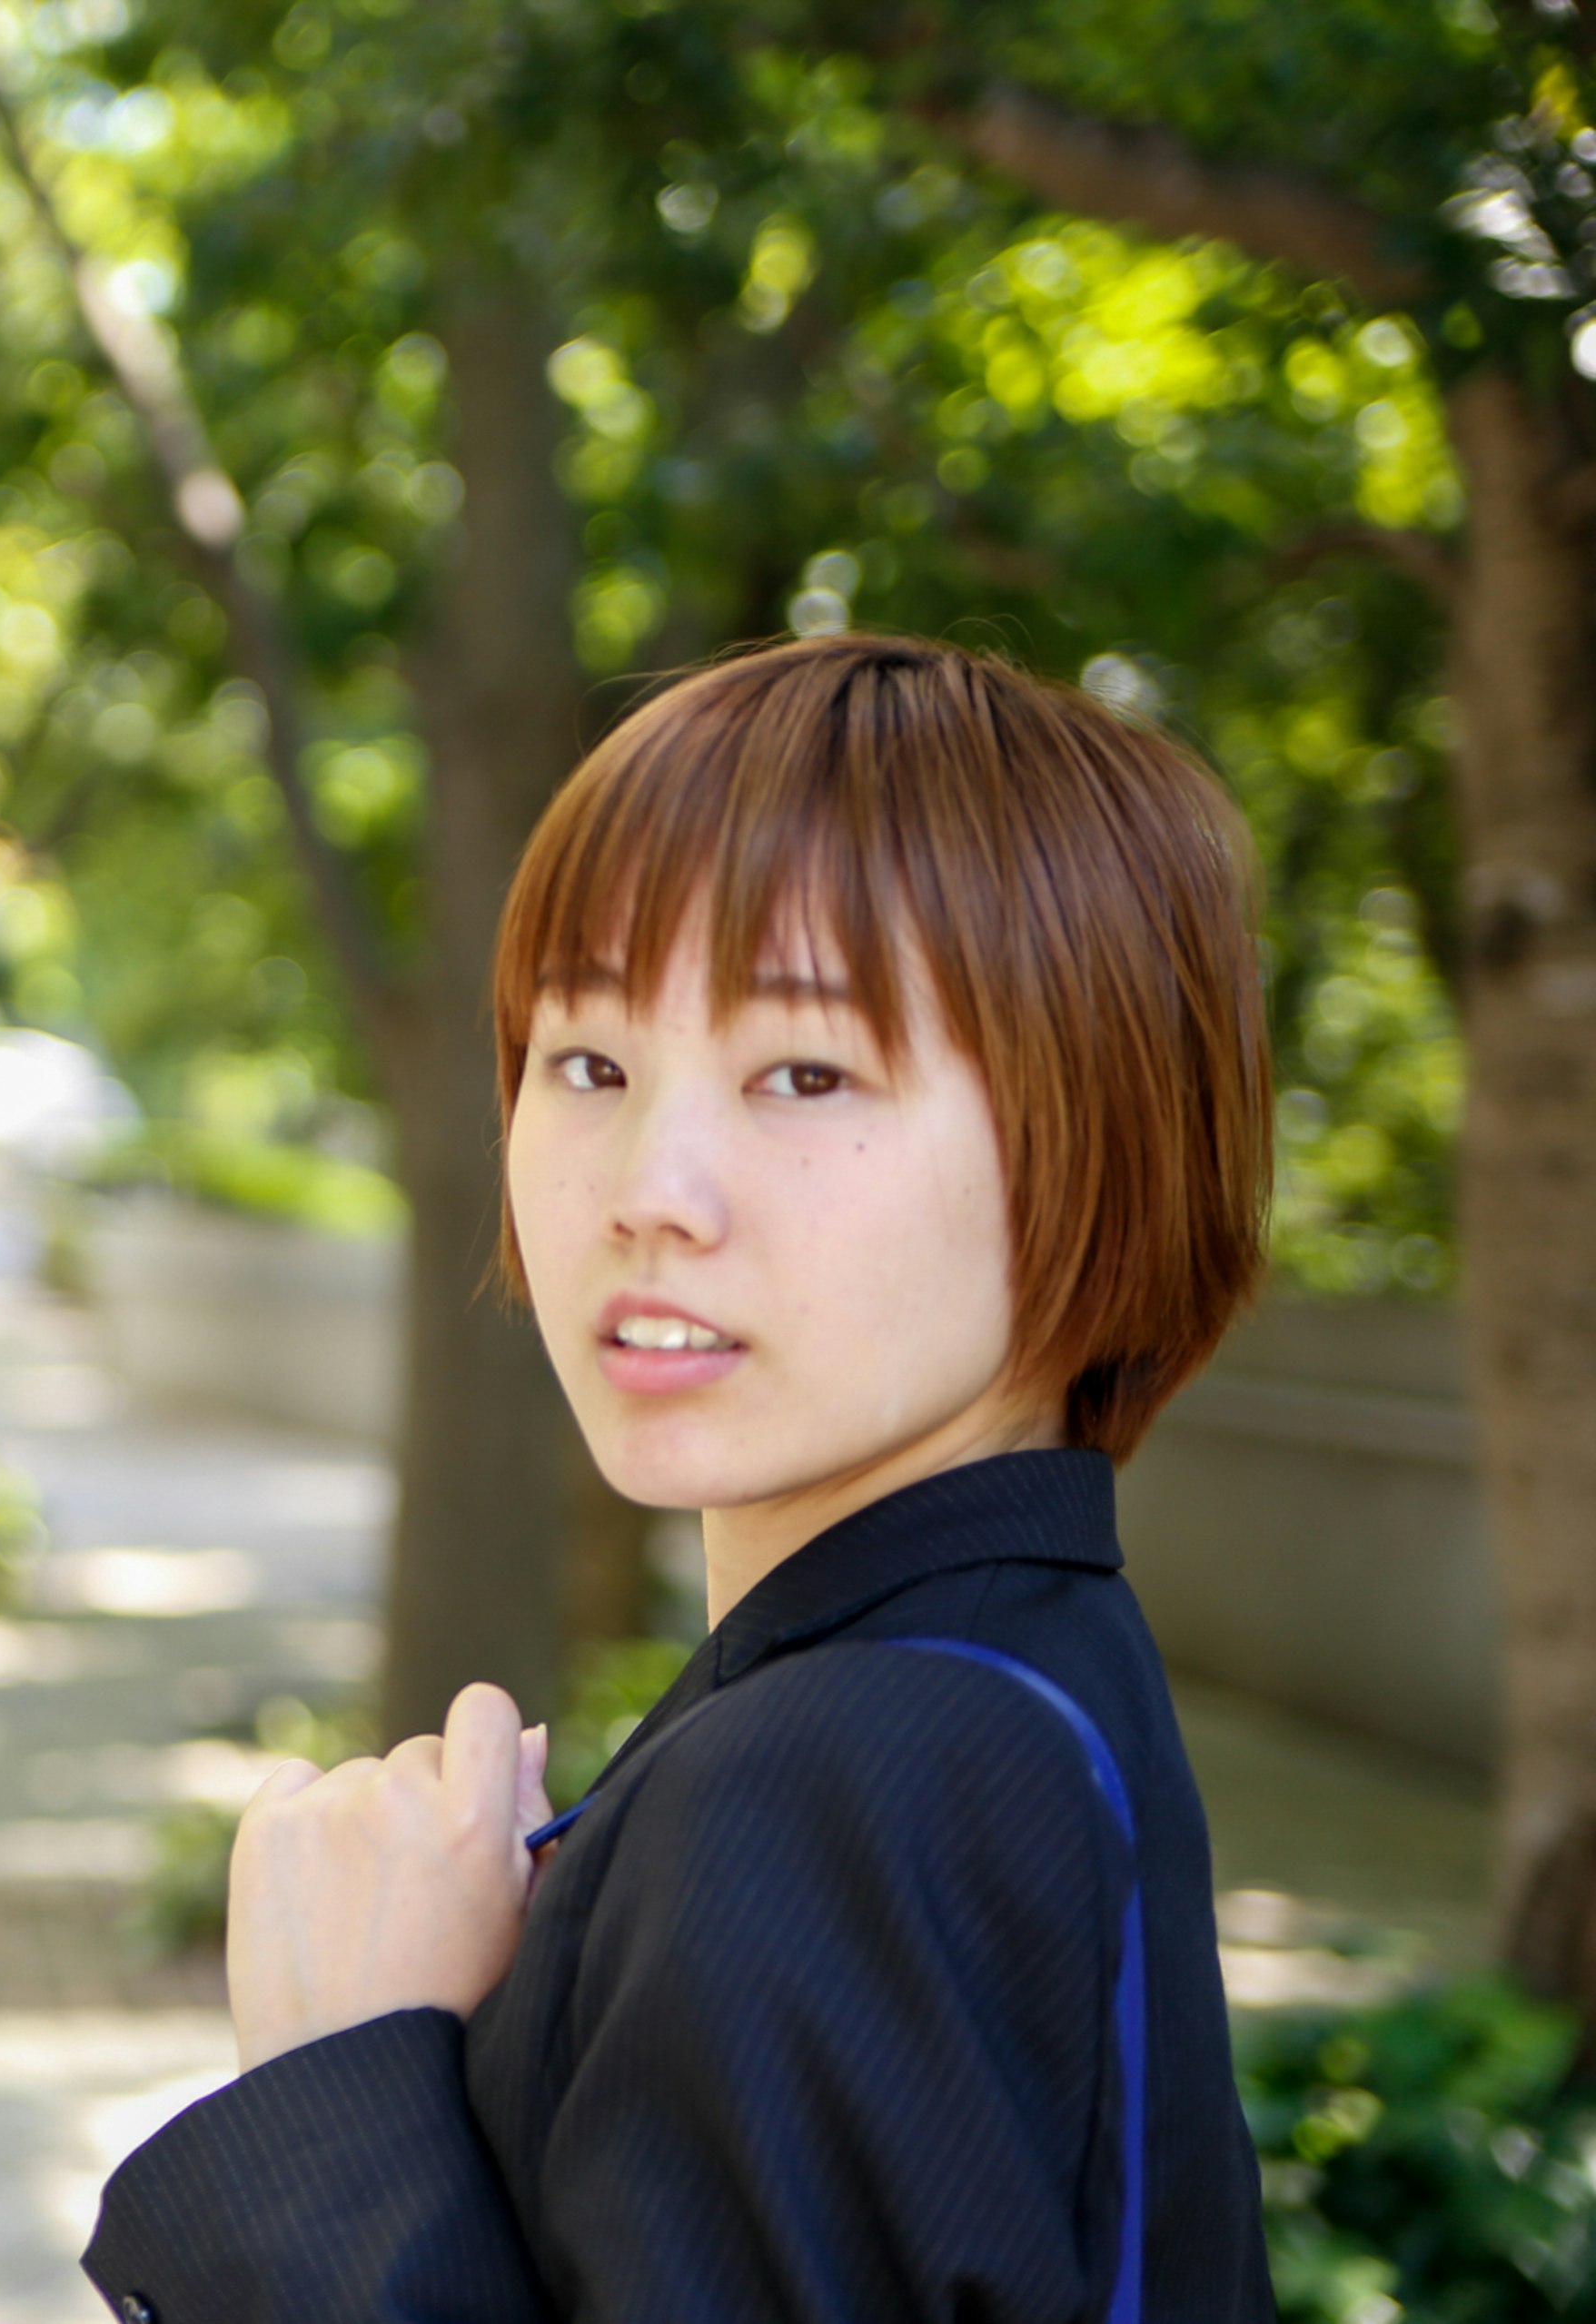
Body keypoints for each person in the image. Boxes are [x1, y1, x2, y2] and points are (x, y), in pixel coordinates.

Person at [83, 631, 1276, 2322]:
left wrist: (342, 2090)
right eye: (590, 1063)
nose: (654, 1188)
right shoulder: (1017, 1677)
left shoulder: (837, 1777)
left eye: (805, 1072)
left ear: (1101, 1136)